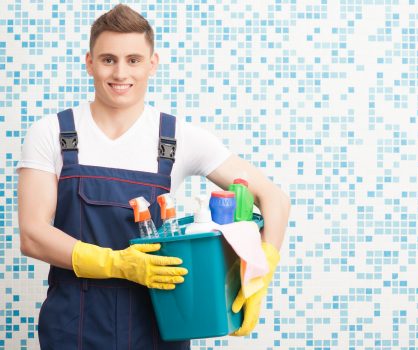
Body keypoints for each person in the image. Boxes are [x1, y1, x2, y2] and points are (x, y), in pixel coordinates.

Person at [17, 4, 290, 349]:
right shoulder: (52, 133)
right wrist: (116, 263)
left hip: (162, 325)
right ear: (89, 63)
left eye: (133, 60)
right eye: (108, 59)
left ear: (152, 63)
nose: (120, 73)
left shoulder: (177, 138)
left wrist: (259, 271)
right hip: (75, 326)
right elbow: (33, 235)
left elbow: (274, 199)